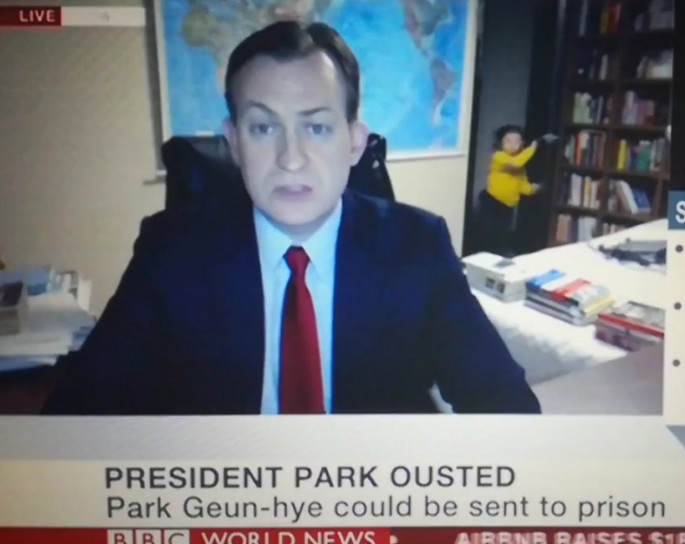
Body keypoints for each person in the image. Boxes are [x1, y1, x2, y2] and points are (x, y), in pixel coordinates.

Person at [41, 21, 540, 415]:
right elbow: (78, 417)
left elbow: (504, 404)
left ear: (354, 143)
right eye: (263, 128)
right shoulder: (171, 252)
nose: (291, 158)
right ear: (234, 143)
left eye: (316, 127)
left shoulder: (417, 246)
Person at [480, 124, 556, 256]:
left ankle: (501, 257)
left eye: (516, 141)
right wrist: (533, 146)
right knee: (492, 236)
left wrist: (537, 188)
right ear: (501, 143)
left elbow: (524, 187)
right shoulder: (499, 156)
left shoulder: (520, 167)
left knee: (504, 235)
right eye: (508, 141)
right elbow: (516, 162)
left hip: (508, 206)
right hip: (492, 202)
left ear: (521, 144)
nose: (512, 145)